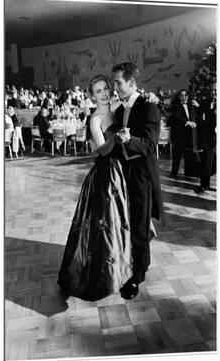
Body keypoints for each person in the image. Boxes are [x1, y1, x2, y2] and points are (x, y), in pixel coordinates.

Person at [57, 75, 133, 301]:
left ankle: (122, 269)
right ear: (91, 95)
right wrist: (117, 138)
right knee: (103, 227)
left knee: (120, 223)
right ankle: (102, 276)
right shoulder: (95, 119)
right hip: (105, 175)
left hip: (122, 171)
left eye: (106, 89)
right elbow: (101, 149)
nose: (104, 93)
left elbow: (133, 103)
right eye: (98, 91)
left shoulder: (118, 107)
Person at [112, 62, 164, 299]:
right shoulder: (119, 110)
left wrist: (128, 139)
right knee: (128, 222)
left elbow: (150, 145)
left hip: (142, 174)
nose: (115, 87)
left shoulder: (149, 106)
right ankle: (132, 262)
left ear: (132, 83)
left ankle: (138, 276)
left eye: (118, 83)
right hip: (123, 174)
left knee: (139, 226)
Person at [169, 89, 198, 179]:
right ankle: (174, 173)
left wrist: (198, 106)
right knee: (177, 154)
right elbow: (176, 118)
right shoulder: (175, 106)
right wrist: (187, 122)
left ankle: (189, 172)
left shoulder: (190, 106)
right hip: (178, 134)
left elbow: (196, 116)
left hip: (189, 134)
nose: (184, 97)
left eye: (185, 95)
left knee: (189, 154)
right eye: (181, 95)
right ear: (178, 97)